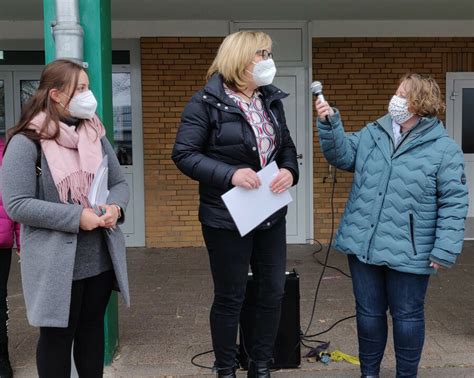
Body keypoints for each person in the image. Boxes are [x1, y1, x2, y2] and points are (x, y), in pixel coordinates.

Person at [315, 73, 469, 378]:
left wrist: (444, 249)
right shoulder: (375, 132)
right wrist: (331, 124)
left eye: (402, 94)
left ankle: (405, 375)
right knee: (368, 315)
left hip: (412, 249)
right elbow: (342, 156)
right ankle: (369, 373)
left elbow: (454, 203)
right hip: (364, 243)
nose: (395, 99)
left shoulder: (444, 149)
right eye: (396, 92)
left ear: (419, 103)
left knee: (407, 317)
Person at [172, 31, 299, 378]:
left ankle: (261, 365)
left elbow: (285, 145)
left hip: (270, 211)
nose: (268, 60)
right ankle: (226, 367)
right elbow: (183, 155)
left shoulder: (270, 100)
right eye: (262, 53)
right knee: (231, 296)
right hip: (226, 217)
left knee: (272, 292)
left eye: (269, 52)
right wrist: (230, 174)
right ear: (240, 57)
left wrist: (290, 170)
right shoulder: (204, 103)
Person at [1, 59, 130, 378]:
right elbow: (17, 204)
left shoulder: (93, 132)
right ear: (56, 94)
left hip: (99, 258)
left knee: (91, 335)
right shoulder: (26, 141)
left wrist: (115, 208)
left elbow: (119, 183)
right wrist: (77, 216)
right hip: (55, 264)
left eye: (88, 87)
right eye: (82, 89)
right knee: (57, 340)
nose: (89, 95)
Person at [0, 137, 20, 378]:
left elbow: (16, 199)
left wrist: (20, 239)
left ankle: (2, 358)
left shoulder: (6, 152)